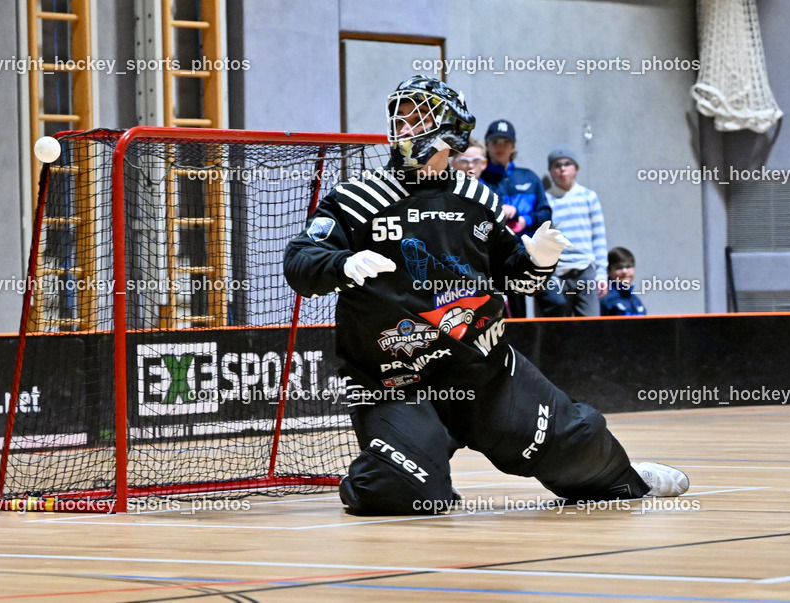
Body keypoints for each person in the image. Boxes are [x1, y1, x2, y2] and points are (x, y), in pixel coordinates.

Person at [284, 75, 687, 515]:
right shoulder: (357, 198)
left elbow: (519, 278)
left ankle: (628, 479)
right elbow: (299, 264)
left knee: (580, 442)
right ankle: (384, 466)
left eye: (417, 116)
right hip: (393, 382)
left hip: (483, 373)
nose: (403, 126)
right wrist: (340, 264)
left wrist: (537, 260)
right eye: (398, 117)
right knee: (400, 492)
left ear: (450, 128)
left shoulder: (479, 198)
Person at [480, 119, 551, 317]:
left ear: (514, 146)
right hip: (499, 257)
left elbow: (546, 215)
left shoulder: (529, 177)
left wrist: (524, 220)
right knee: (512, 310)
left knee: (556, 300)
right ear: (487, 145)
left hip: (531, 252)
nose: (500, 147)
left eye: (505, 142)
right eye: (495, 142)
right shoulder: (480, 179)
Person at [536, 147, 609, 317]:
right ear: (550, 171)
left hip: (585, 271)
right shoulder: (546, 200)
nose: (562, 169)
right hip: (558, 274)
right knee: (559, 329)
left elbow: (599, 237)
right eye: (557, 165)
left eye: (567, 164)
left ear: (576, 168)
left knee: (590, 327)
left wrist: (601, 274)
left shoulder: (588, 197)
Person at [600, 247, 647, 316]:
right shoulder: (604, 298)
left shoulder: (636, 301)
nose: (624, 271)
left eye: (628, 266)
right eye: (619, 267)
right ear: (608, 271)